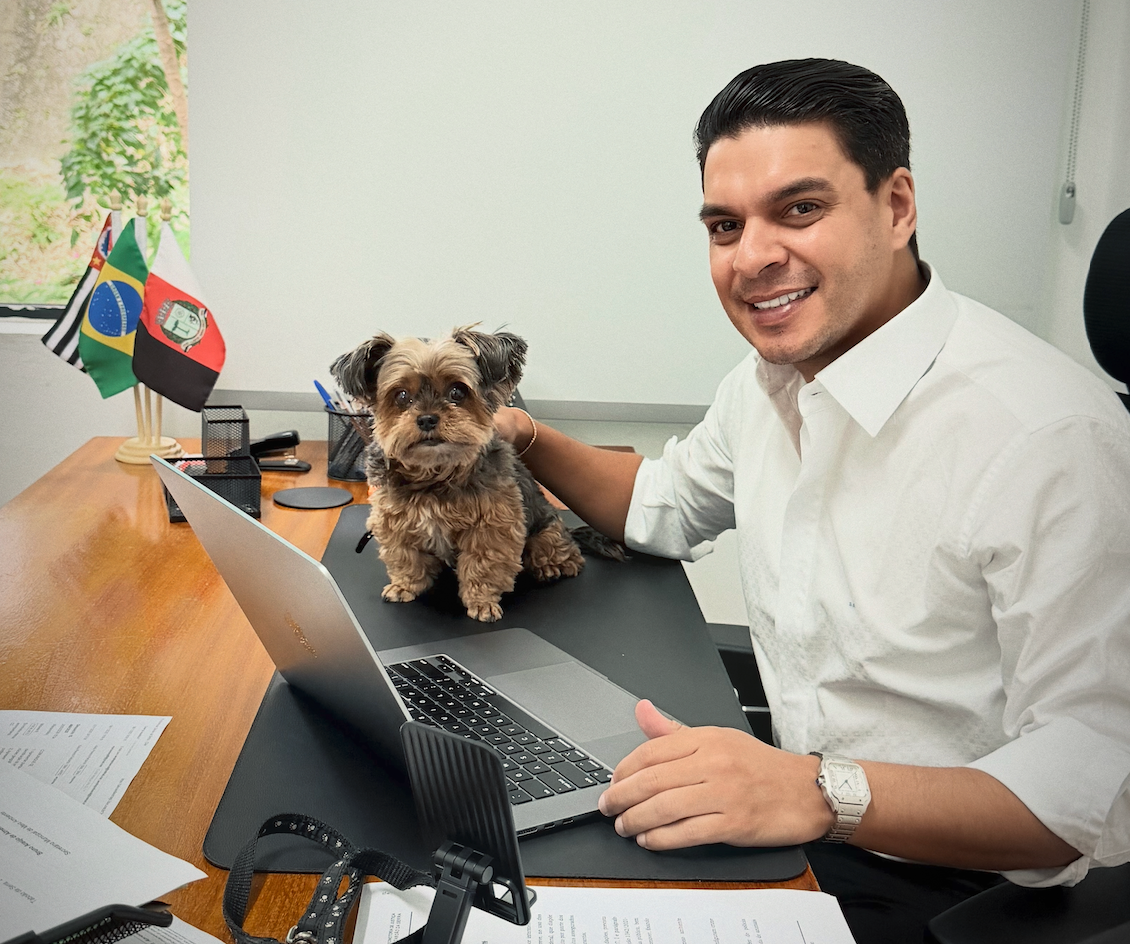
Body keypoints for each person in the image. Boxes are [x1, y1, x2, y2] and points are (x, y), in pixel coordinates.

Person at [495, 59, 1130, 942]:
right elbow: (663, 503)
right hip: (803, 818)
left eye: (799, 209)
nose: (753, 257)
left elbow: (1086, 794)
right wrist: (519, 433)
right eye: (725, 225)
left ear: (897, 206)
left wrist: (816, 791)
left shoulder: (1048, 436)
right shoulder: (769, 382)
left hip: (956, 886)